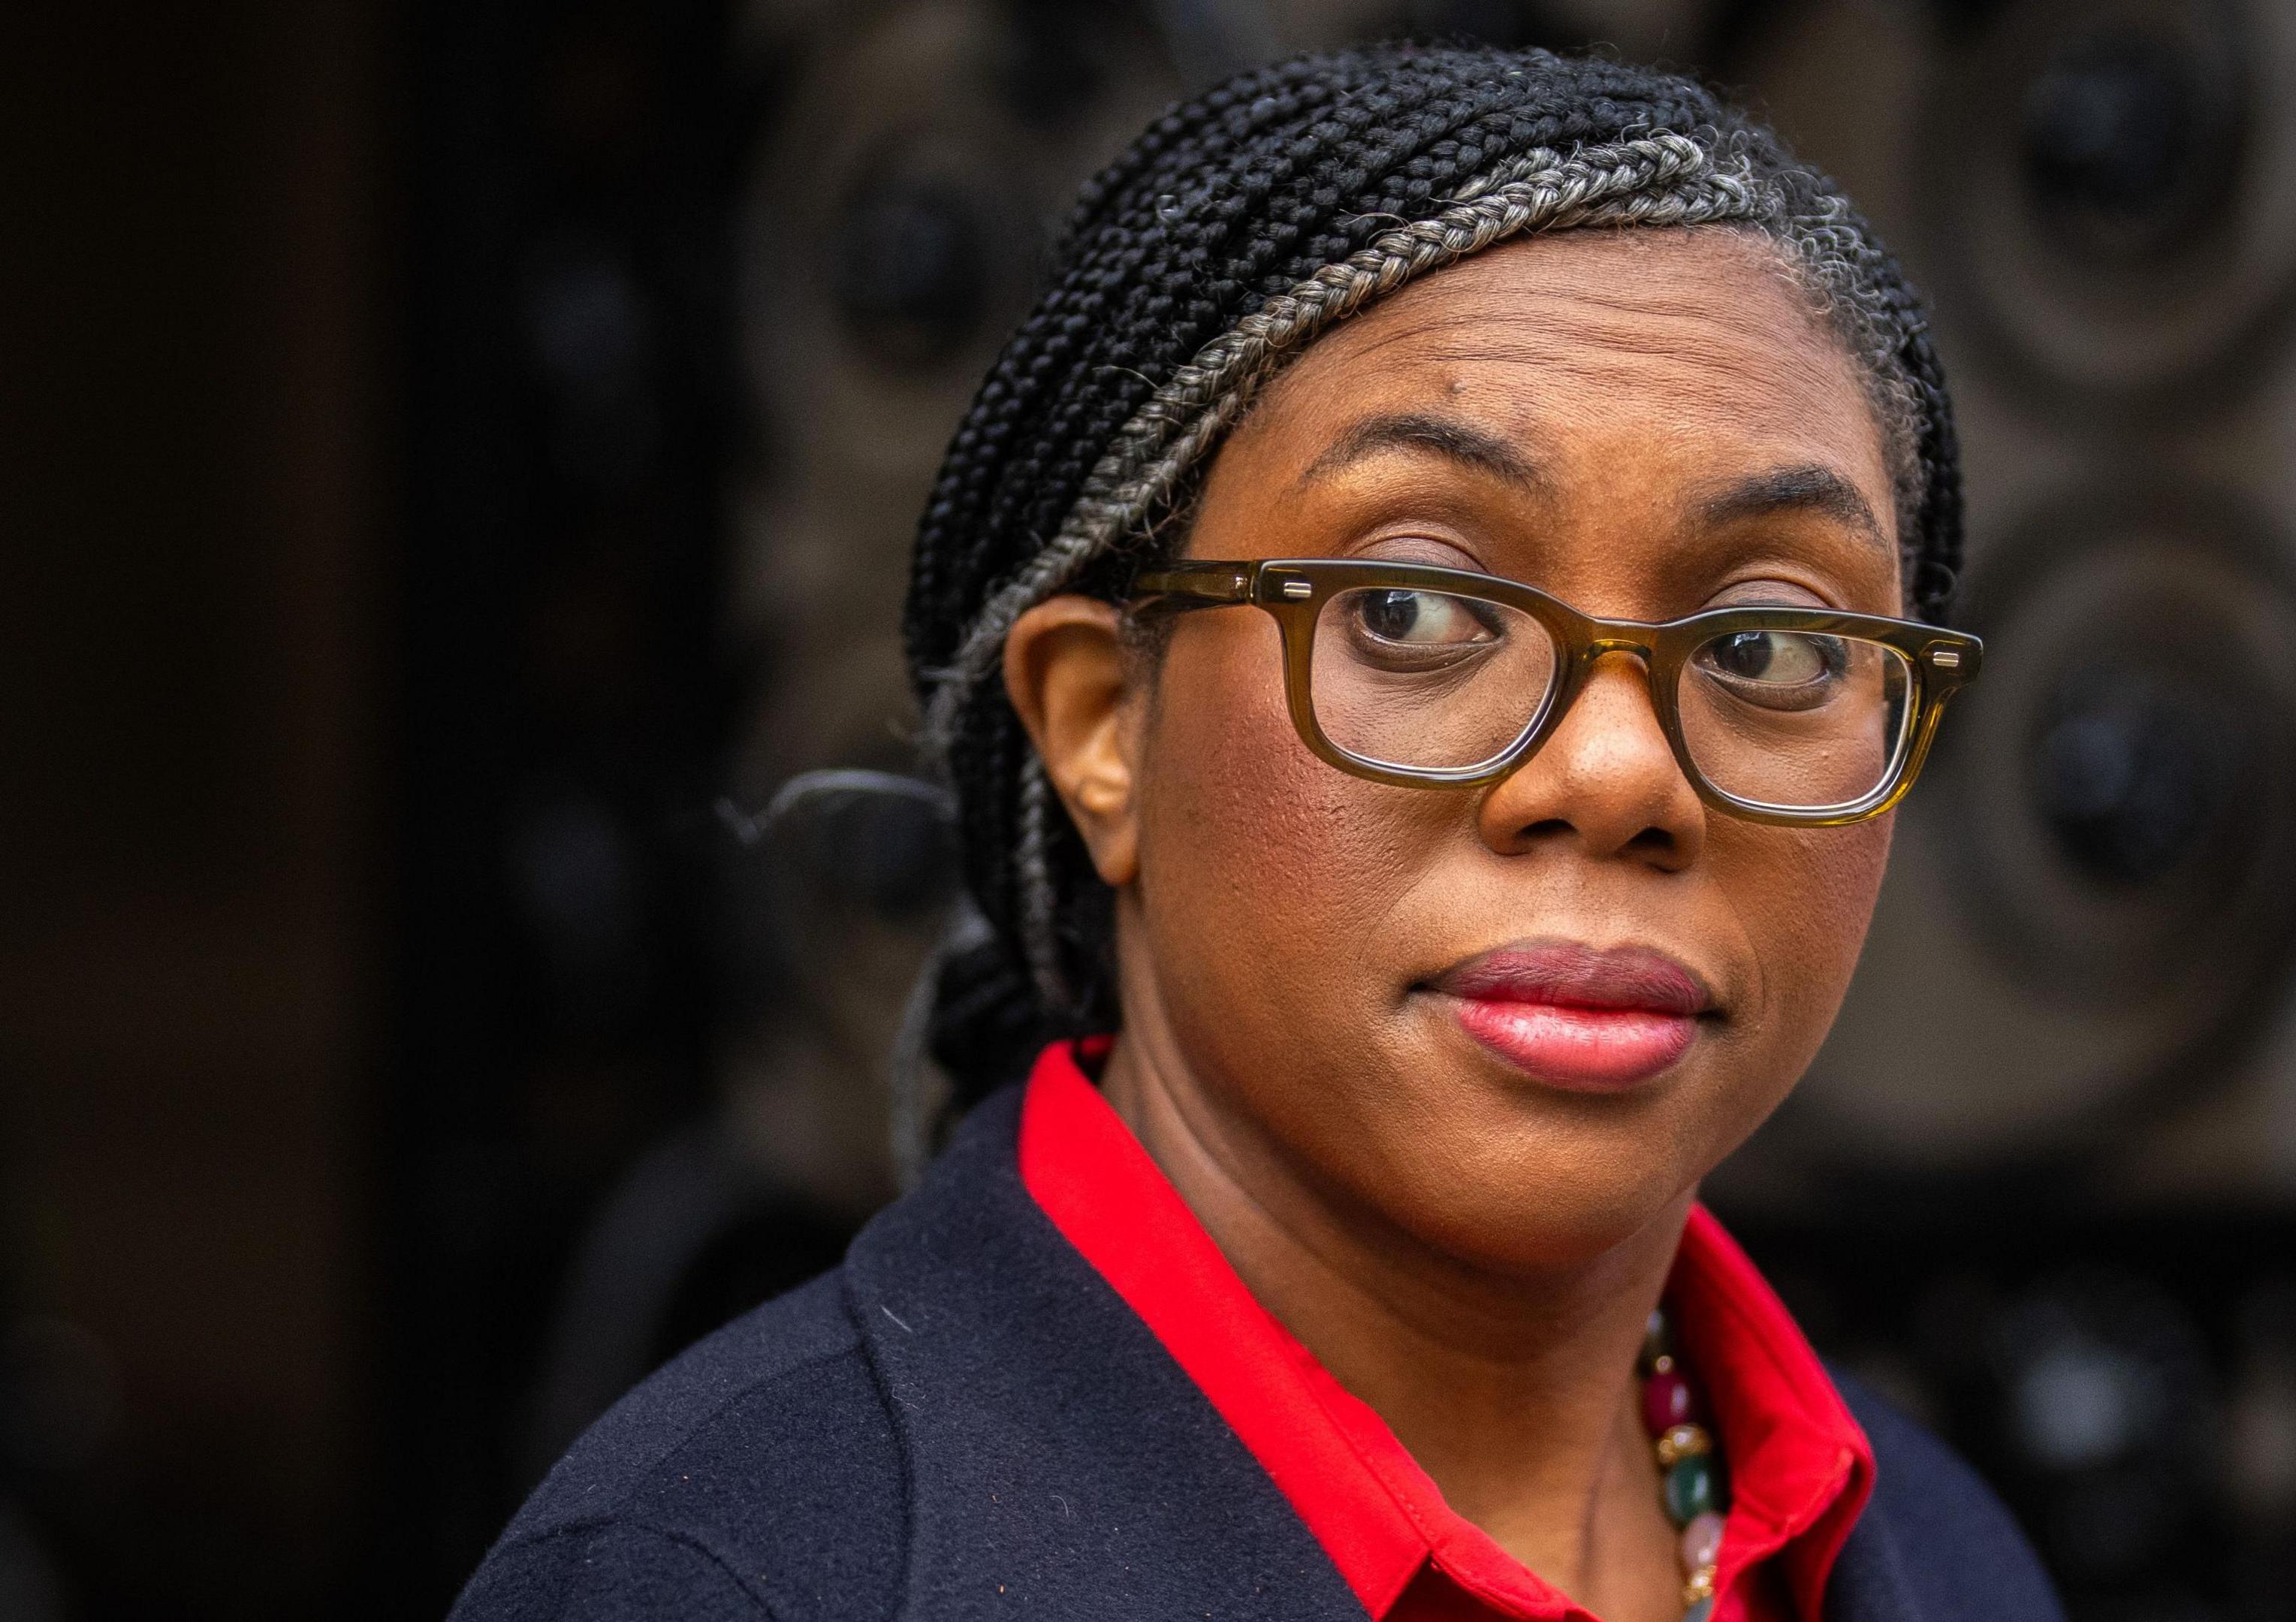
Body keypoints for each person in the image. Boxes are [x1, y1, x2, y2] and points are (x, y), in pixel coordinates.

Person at [451, 43, 2058, 1622]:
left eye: (1773, 644)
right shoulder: (739, 1575)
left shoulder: (1934, 1556)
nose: (1624, 771)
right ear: (1101, 726)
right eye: (1416, 606)